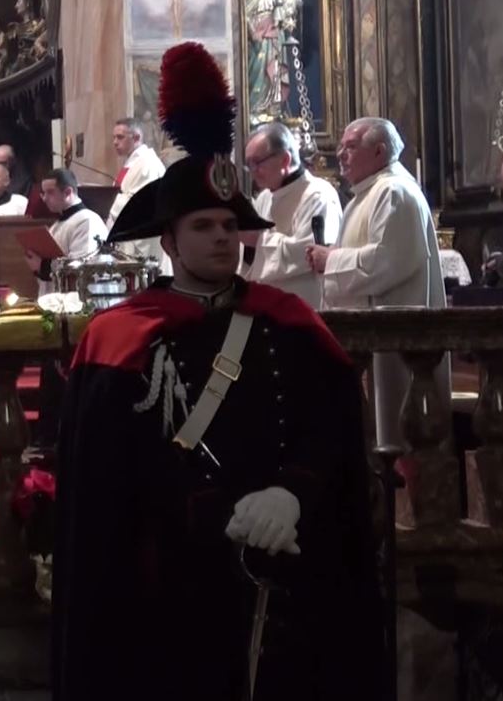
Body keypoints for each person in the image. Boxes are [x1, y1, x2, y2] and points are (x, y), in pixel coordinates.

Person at [53, 43, 382, 701]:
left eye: (230, 225)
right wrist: (203, 511)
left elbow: (332, 427)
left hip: (283, 577)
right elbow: (102, 482)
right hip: (163, 596)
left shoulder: (289, 322)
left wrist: (291, 493)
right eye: (202, 225)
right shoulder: (119, 338)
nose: (221, 237)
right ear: (169, 241)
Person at [306, 117, 449, 445]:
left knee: (399, 434)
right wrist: (333, 257)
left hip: (395, 337)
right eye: (340, 146)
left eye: (350, 146)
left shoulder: (393, 192)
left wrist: (331, 260)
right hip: (370, 339)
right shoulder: (366, 194)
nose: (340, 154)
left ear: (379, 151)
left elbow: (387, 261)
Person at [241, 121, 342, 308]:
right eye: (249, 165)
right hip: (269, 305)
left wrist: (258, 240)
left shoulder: (318, 195)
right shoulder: (264, 197)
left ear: (285, 160)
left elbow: (310, 254)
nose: (252, 172)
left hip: (306, 304)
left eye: (257, 163)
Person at [25, 168, 107, 295]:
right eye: (43, 193)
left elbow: (82, 268)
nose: (44, 198)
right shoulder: (56, 225)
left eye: (50, 192)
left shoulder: (87, 221)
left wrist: (42, 266)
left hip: (79, 300)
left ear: (68, 192)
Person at [106, 116, 167, 269]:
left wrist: (105, 203)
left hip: (141, 239)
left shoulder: (148, 164)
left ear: (137, 137)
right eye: (114, 137)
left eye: (120, 137)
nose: (115, 142)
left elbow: (140, 202)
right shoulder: (133, 163)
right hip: (126, 235)